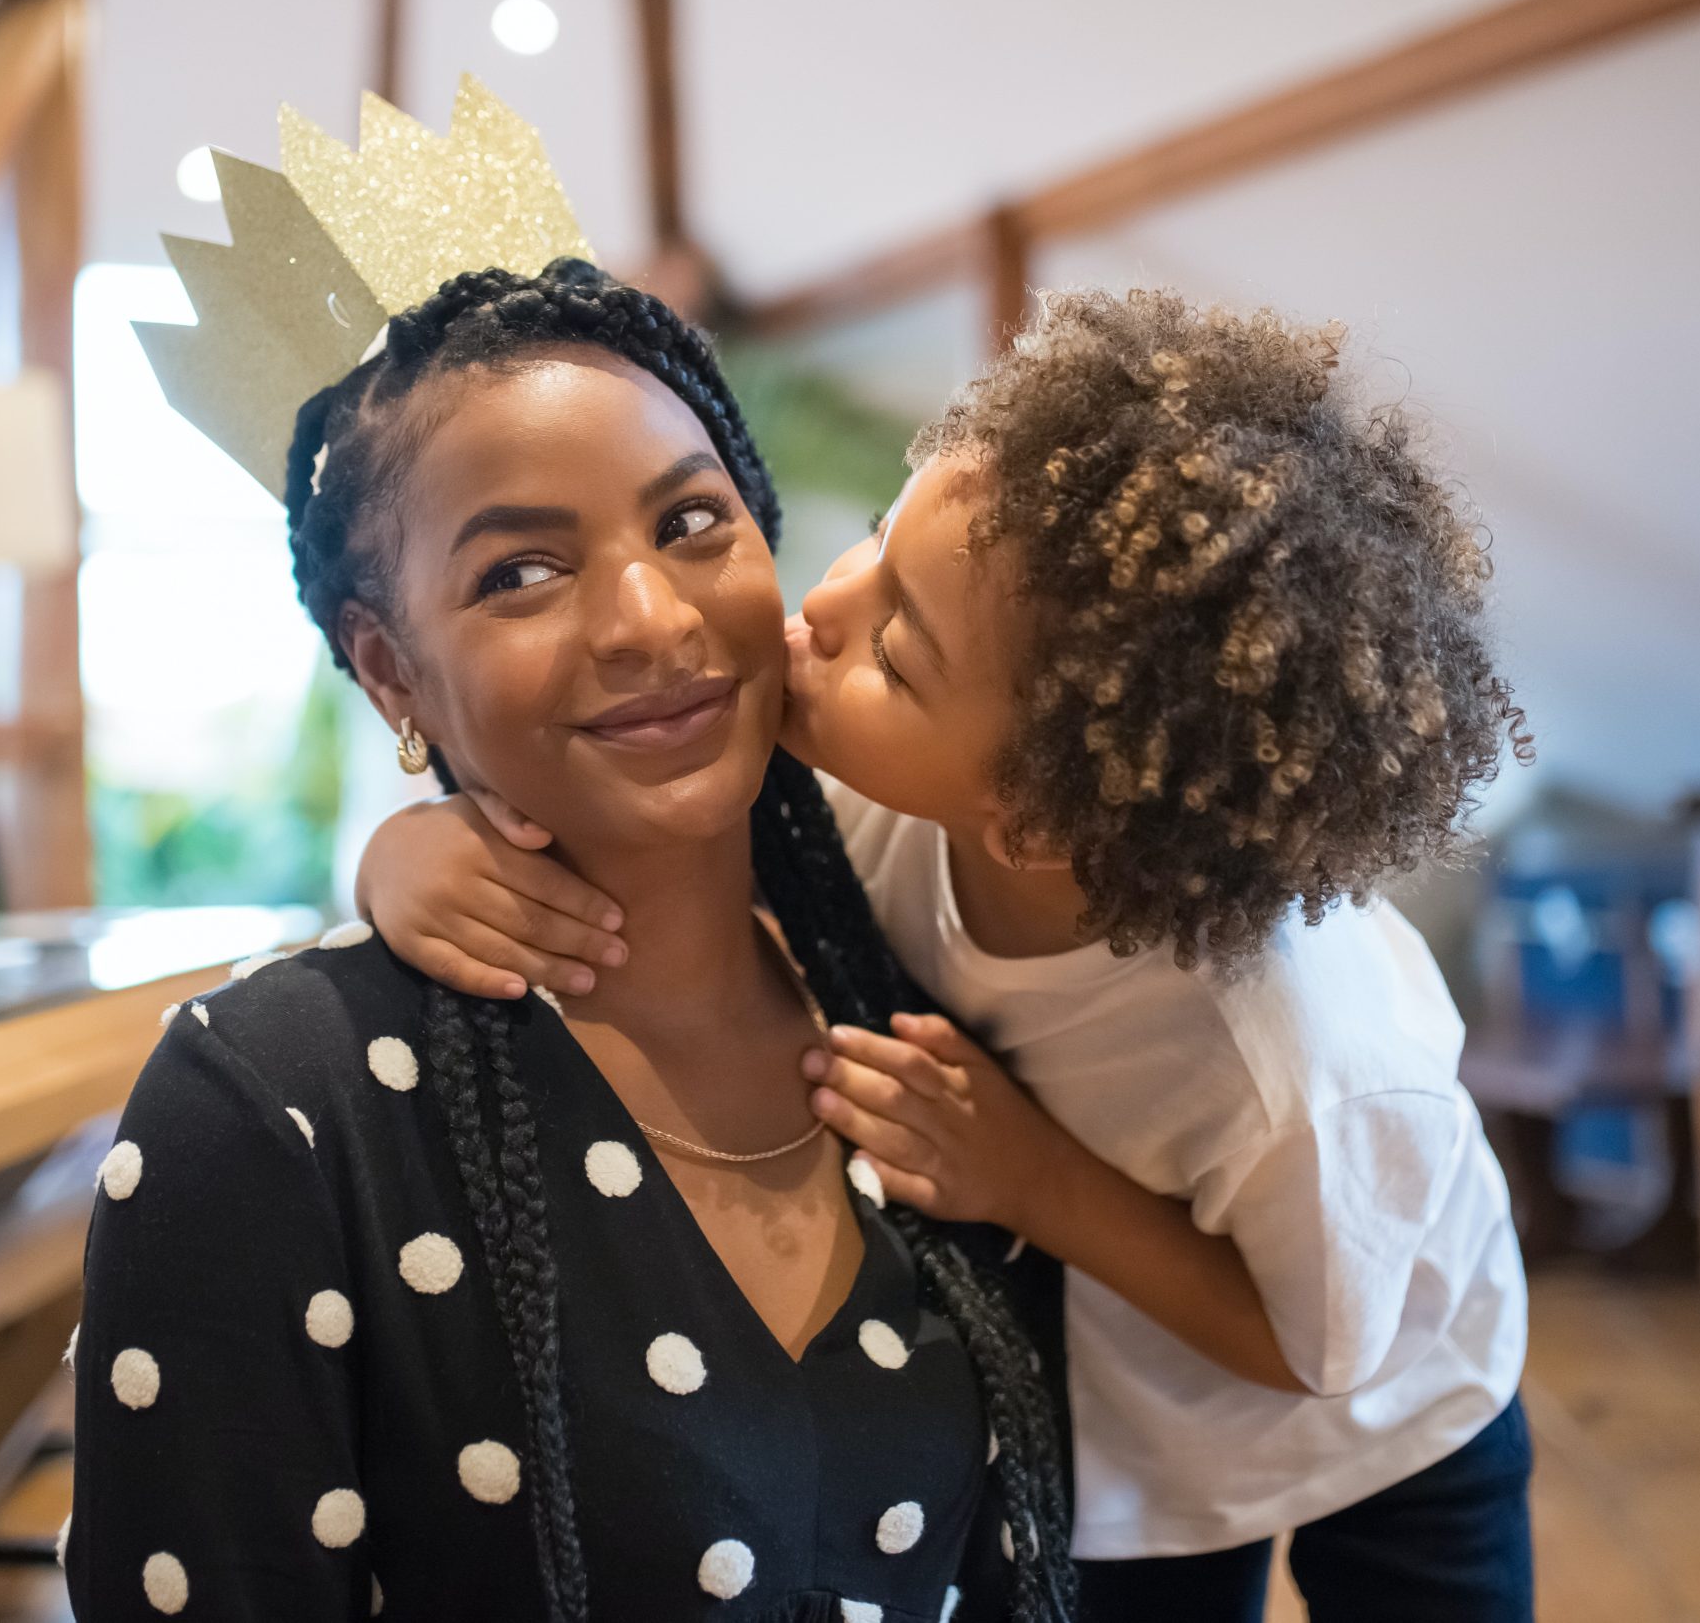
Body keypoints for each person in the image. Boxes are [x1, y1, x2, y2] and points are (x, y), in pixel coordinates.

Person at [360, 288, 1538, 1621]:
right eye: (876, 536)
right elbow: (615, 820)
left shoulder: (1305, 1060)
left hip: (1385, 1408)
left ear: (1034, 812)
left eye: (899, 645)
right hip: (1127, 1422)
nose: (822, 608)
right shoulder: (875, 785)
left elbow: (1314, 1347)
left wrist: (1029, 1176)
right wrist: (421, 841)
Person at [65, 259, 1076, 1623]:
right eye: (520, 571)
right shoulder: (278, 1105)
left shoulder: (920, 1015)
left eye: (694, 520)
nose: (652, 620)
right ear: (388, 667)